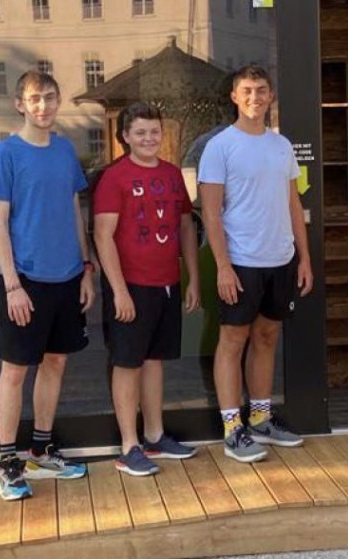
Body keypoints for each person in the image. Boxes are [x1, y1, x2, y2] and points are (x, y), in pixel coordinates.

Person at [0, 70, 95, 501]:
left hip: (66, 275)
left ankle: (41, 451)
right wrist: (12, 284)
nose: (43, 106)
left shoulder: (66, 151)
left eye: (50, 97)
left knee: (55, 363)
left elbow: (74, 211)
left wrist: (87, 267)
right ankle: (8, 464)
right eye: (35, 99)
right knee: (14, 371)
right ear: (20, 104)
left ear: (59, 100)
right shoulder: (6, 154)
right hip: (25, 280)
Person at [198, 64, 313, 463]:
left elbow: (293, 203)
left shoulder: (280, 146)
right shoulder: (220, 146)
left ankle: (261, 418)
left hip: (280, 259)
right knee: (233, 341)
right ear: (234, 96)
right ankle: (233, 427)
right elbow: (210, 213)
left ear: (270, 95)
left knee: (267, 337)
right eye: (246, 90)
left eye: (261, 90)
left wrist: (304, 259)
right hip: (241, 261)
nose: (254, 97)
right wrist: (223, 266)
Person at [94, 102, 202, 476]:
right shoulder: (114, 177)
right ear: (125, 136)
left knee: (155, 360)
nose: (148, 138)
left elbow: (186, 227)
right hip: (131, 286)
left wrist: (192, 279)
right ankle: (129, 445)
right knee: (127, 363)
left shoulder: (173, 175)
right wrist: (119, 291)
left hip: (167, 283)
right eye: (140, 132)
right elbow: (103, 236)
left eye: (154, 131)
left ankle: (155, 434)